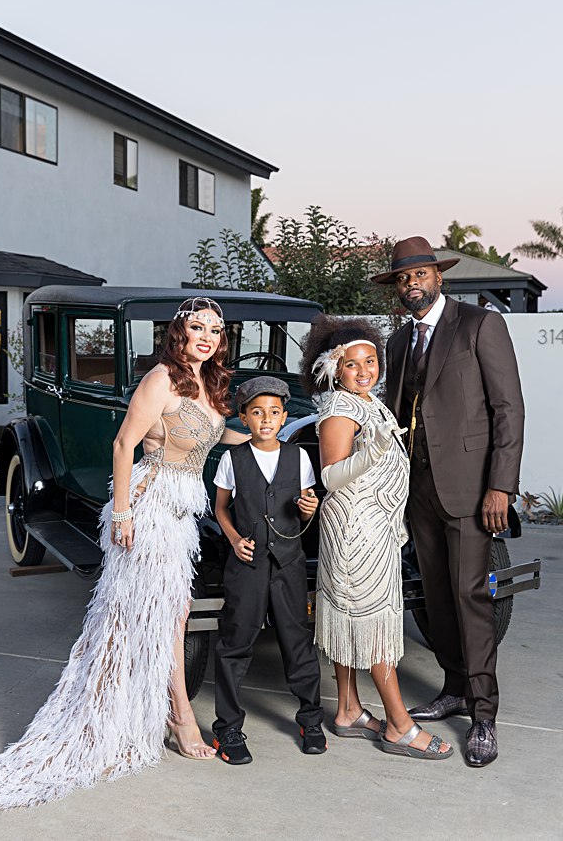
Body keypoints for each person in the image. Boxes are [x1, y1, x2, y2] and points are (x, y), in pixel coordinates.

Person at [0, 297, 246, 809]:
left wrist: (269, 434)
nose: (207, 336)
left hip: (182, 518)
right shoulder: (161, 378)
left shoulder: (208, 382)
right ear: (178, 331)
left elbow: (212, 432)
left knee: (165, 615)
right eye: (197, 326)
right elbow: (122, 444)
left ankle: (159, 708)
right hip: (151, 510)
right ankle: (178, 715)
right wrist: (121, 514)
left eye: (216, 330)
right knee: (156, 618)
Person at [376, 236, 525, 767]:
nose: (411, 284)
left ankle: (484, 713)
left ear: (439, 277)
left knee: (470, 597)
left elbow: (508, 409)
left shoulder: (479, 325)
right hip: (416, 491)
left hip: (470, 487)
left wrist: (500, 486)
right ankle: (455, 687)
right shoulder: (397, 342)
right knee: (435, 597)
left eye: (419, 275)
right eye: (402, 278)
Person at [302, 316, 452, 761]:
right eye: (353, 365)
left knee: (353, 619)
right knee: (371, 625)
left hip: (377, 527)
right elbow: (330, 476)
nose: (365, 370)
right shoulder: (340, 409)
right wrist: (371, 452)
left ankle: (348, 710)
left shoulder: (369, 402)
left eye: (371, 361)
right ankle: (399, 726)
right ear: (334, 369)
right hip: (354, 530)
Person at [210, 376, 325, 764]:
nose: (266, 419)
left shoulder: (298, 457)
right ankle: (227, 728)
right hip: (247, 565)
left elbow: (306, 502)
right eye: (257, 412)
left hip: (289, 565)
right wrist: (233, 539)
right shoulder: (233, 459)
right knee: (235, 643)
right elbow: (221, 508)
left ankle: (311, 719)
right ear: (243, 417)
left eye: (274, 412)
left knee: (297, 642)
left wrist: (309, 507)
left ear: (284, 417)